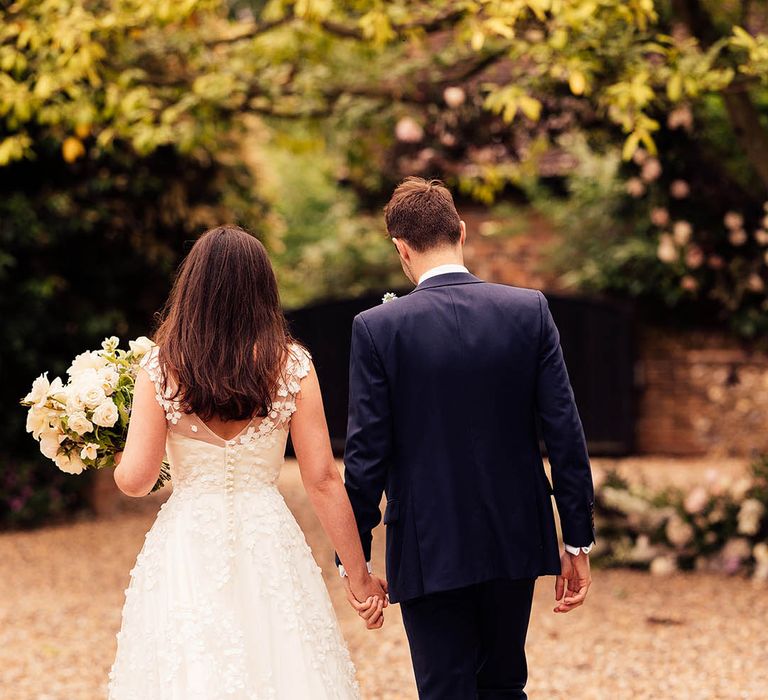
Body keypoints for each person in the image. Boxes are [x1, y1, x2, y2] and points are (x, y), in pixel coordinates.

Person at [341, 177, 596, 699]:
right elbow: (565, 432)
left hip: (427, 541)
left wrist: (357, 560)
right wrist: (575, 539)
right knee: (504, 685)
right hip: (514, 533)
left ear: (401, 249)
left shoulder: (377, 328)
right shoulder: (529, 311)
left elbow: (365, 456)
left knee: (444, 689)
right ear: (461, 230)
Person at [108, 225, 386, 699]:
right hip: (267, 536)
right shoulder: (291, 365)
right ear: (263, 292)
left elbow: (136, 480)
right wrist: (359, 578)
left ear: (191, 289)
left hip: (188, 539)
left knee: (191, 665)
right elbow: (322, 479)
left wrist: (115, 448)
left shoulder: (160, 367)